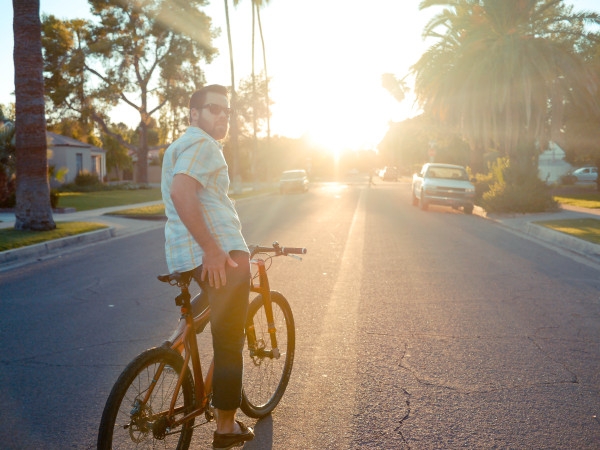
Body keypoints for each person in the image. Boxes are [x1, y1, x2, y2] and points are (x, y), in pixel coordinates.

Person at [160, 84, 254, 449]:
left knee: (210, 314)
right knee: (230, 340)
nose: (222, 116)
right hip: (220, 256)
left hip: (185, 256)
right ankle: (226, 427)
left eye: (226, 111)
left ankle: (175, 344)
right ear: (193, 114)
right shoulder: (203, 144)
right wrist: (213, 250)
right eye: (214, 108)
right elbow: (182, 192)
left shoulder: (179, 146)